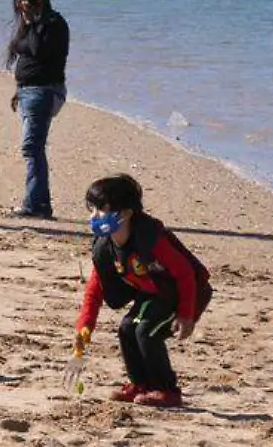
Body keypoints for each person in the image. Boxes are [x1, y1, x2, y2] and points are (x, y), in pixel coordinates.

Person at [75, 174, 213, 409]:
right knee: (127, 329)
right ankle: (140, 384)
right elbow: (95, 289)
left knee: (147, 333)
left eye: (102, 210)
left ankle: (168, 391)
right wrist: (84, 327)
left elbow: (185, 274)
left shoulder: (150, 239)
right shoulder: (106, 246)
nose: (94, 217)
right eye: (92, 210)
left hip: (181, 295)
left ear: (126, 213)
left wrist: (186, 315)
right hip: (151, 295)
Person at [6, 0, 70, 218]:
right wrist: (18, 89)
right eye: (20, 10)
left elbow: (38, 50)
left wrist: (32, 22)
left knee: (32, 147)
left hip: (44, 91)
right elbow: (23, 52)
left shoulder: (53, 25)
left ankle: (36, 204)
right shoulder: (33, 24)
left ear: (38, 3)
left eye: (26, 8)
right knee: (34, 147)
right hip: (28, 91)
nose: (22, 15)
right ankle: (39, 203)